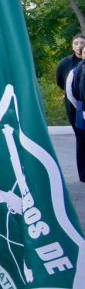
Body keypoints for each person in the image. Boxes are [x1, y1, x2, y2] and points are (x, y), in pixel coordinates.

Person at [57, 34, 85, 182]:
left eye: (82, 43)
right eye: (76, 43)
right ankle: (83, 174)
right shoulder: (66, 63)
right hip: (75, 107)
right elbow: (61, 82)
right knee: (81, 139)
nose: (79, 45)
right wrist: (76, 102)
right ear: (72, 46)